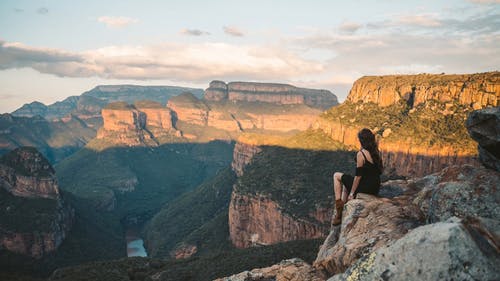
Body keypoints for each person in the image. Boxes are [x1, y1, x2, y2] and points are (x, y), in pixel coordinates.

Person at [331, 128, 383, 226]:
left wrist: (352, 193)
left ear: (361, 141)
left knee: (336, 175)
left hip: (366, 187)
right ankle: (341, 210)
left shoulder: (361, 154)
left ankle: (339, 209)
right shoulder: (375, 151)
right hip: (375, 187)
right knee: (347, 183)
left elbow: (358, 176)